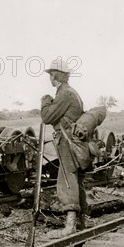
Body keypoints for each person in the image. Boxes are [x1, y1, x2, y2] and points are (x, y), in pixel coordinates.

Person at [41, 58, 88, 237]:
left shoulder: (64, 94)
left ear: (55, 76)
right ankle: (81, 222)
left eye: (51, 75)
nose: (49, 78)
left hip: (68, 142)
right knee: (76, 178)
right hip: (76, 142)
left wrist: (45, 101)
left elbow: (47, 117)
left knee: (67, 178)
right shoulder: (72, 92)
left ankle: (70, 226)